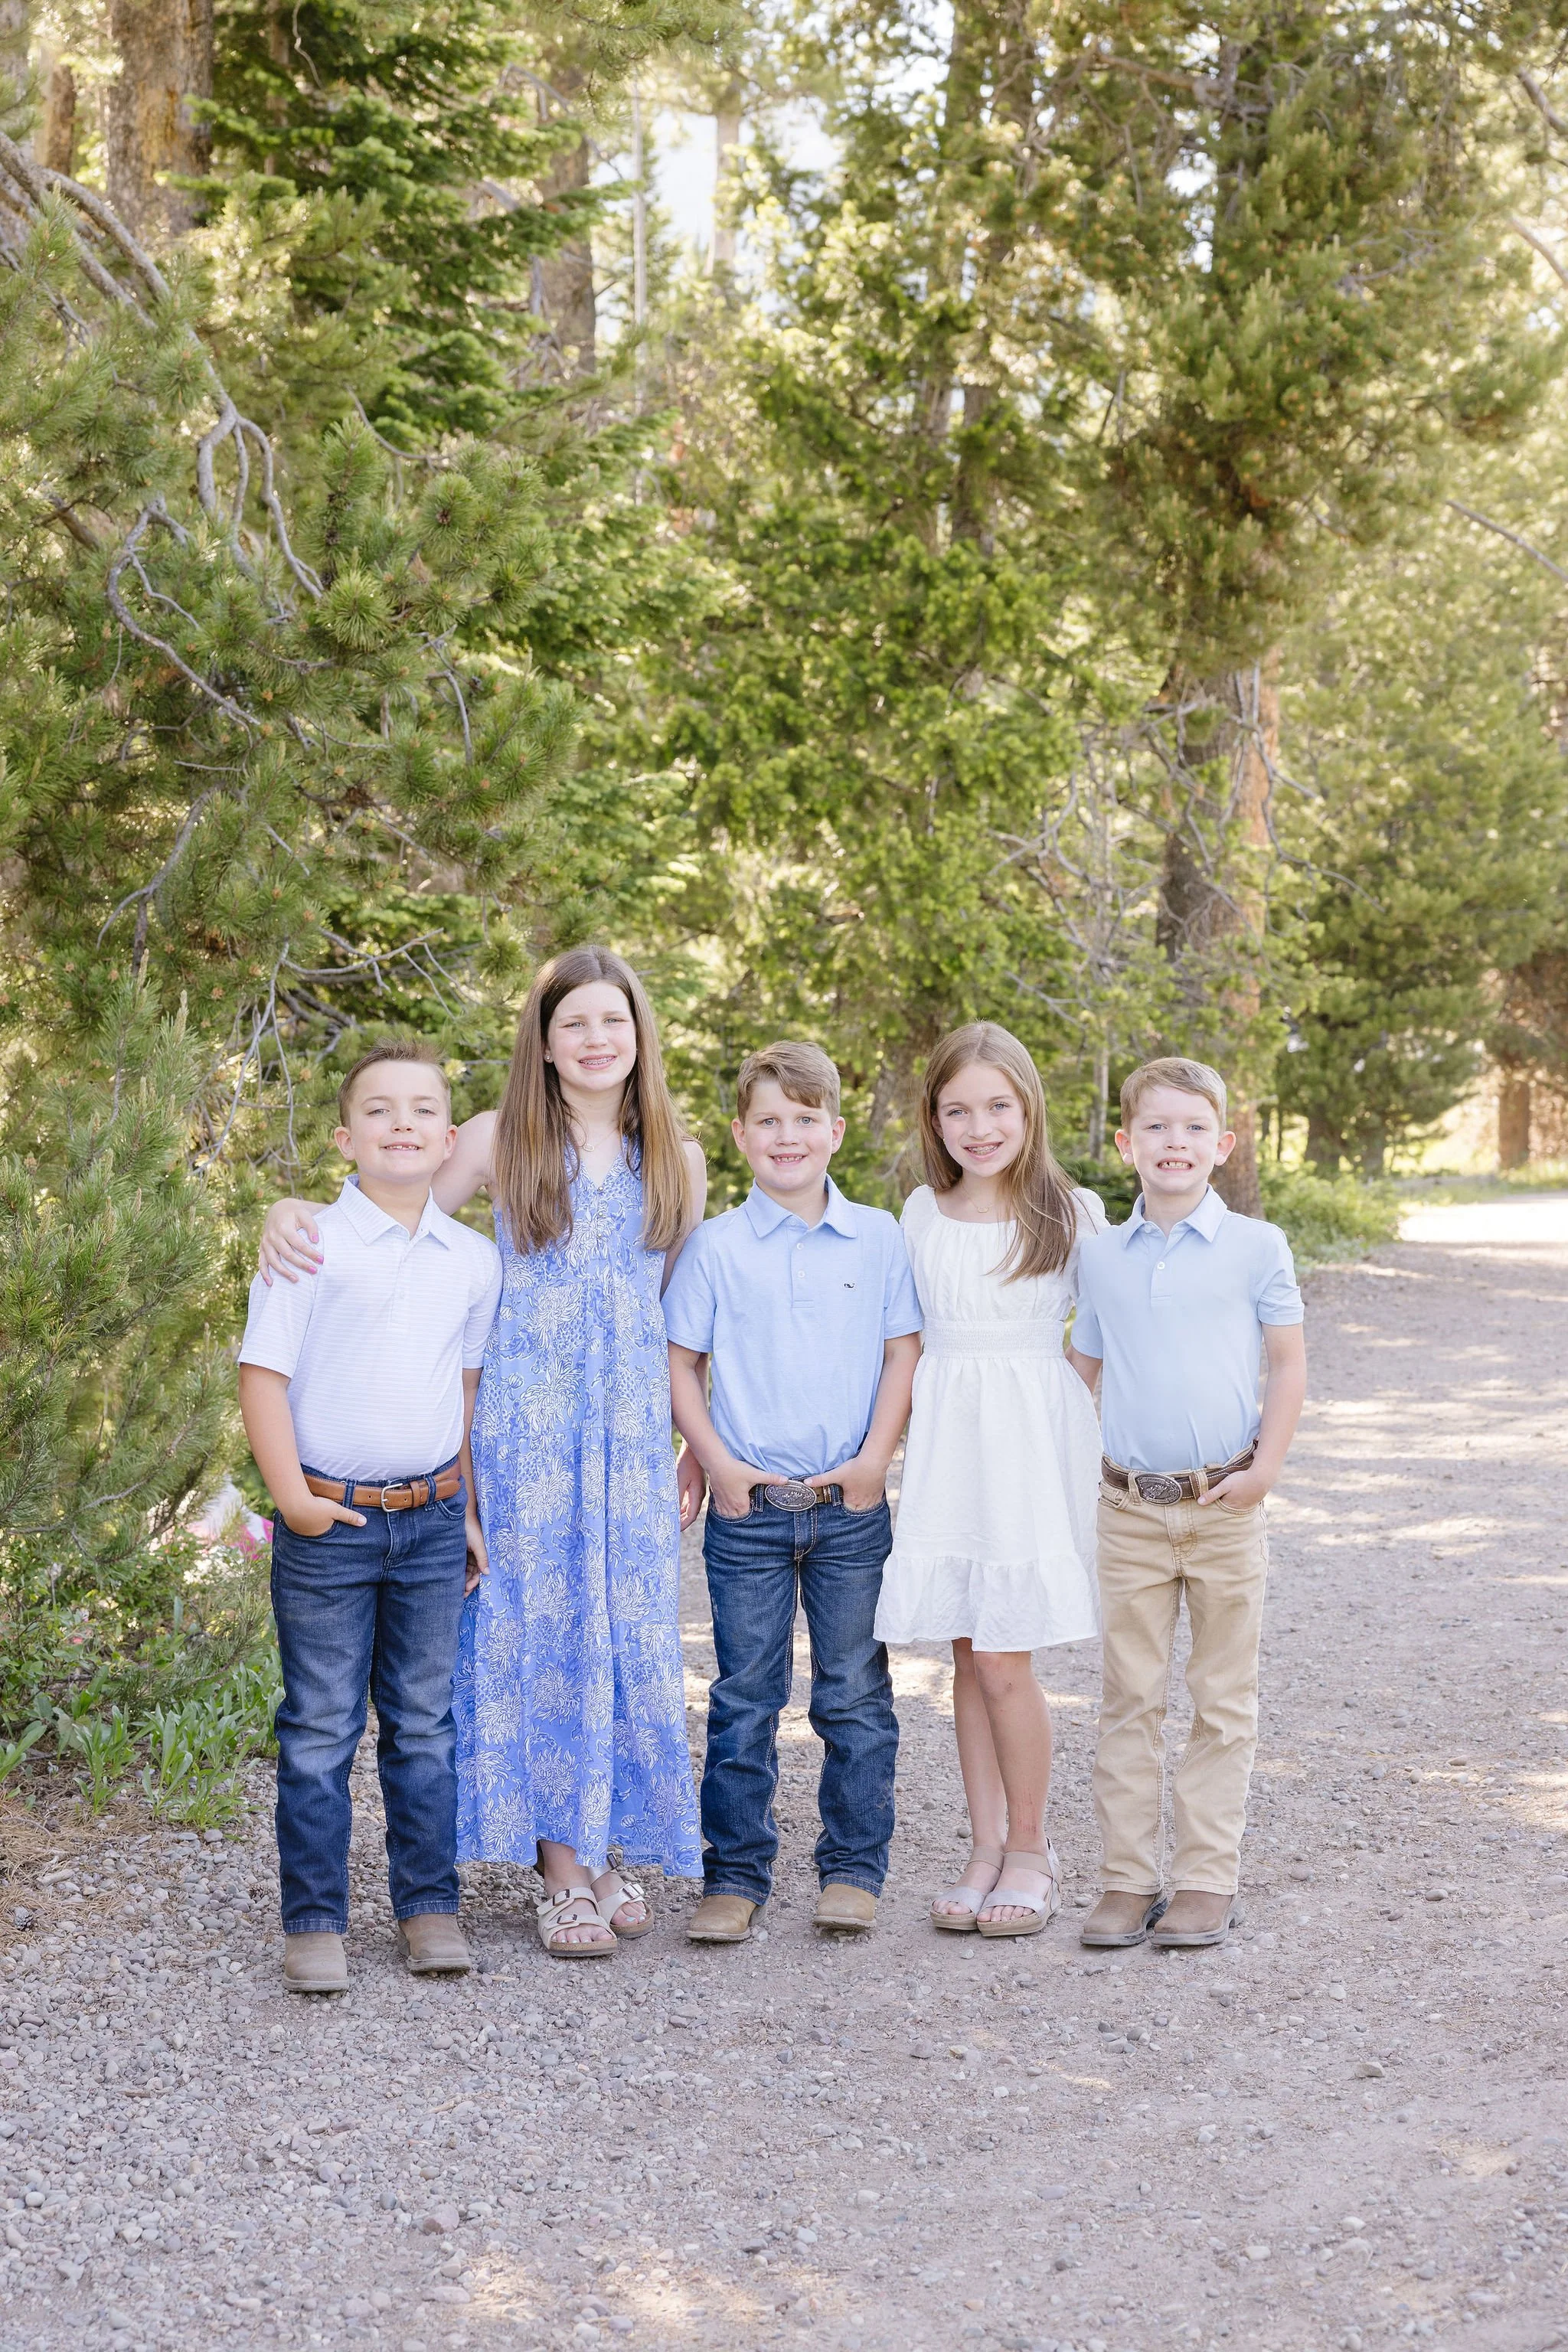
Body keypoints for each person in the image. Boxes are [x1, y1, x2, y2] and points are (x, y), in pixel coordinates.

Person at [256, 946, 707, 1959]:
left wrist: (693, 1443)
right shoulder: (503, 1140)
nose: (596, 1040)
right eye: (574, 1024)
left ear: (640, 1036)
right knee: (540, 1636)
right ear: (543, 1044)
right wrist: (290, 1213)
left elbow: (679, 1320)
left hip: (629, 1438)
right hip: (521, 1440)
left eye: (613, 1022)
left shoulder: (674, 1155)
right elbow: (394, 1213)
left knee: (625, 1636)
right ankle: (558, 1873)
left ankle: (607, 1846)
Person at [240, 1041, 501, 1994]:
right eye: (381, 1110)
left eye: (423, 1109)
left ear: (448, 1138)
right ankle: (314, 1923)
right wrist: (293, 1502)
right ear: (346, 1138)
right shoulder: (310, 1242)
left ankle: (427, 1907)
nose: (403, 1123)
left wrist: (465, 1507)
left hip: (430, 1521)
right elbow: (261, 1375)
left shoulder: (472, 1262)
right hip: (329, 1525)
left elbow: (459, 1396)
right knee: (317, 1726)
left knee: (424, 1723)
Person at [664, 1041, 923, 1944]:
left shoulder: (879, 1236)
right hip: (748, 1512)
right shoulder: (715, 1248)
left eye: (805, 1119)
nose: (787, 1136)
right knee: (743, 1694)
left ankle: (853, 1869)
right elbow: (679, 1364)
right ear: (739, 1134)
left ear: (835, 1131)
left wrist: (873, 1461)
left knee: (852, 1692)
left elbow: (901, 1353)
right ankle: (732, 1877)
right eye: (768, 1121)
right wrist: (717, 1462)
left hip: (849, 1508)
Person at [1070, 1056, 1307, 1954]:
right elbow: (1078, 1373)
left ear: (1222, 1145)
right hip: (1127, 1507)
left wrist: (1265, 1469)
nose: (1175, 1143)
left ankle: (1205, 1879)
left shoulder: (1256, 1246)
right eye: (1156, 1129)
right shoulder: (1100, 1257)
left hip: (1224, 1501)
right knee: (1127, 1697)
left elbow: (1285, 1364)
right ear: (1126, 1144)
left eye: (1193, 1129)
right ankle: (1126, 1881)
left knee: (1220, 1699)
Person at [875, 1023, 1106, 1939]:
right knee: (966, 1655)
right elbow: (905, 1341)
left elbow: (1101, 1332)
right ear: (933, 1117)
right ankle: (979, 1848)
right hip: (948, 1444)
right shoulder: (919, 1215)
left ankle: (1030, 1848)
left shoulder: (1069, 1209)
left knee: (1006, 1656)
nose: (978, 1126)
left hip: (1025, 1448)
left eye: (997, 1107)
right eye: (957, 1109)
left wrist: (1059, 1407)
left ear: (1028, 1108)